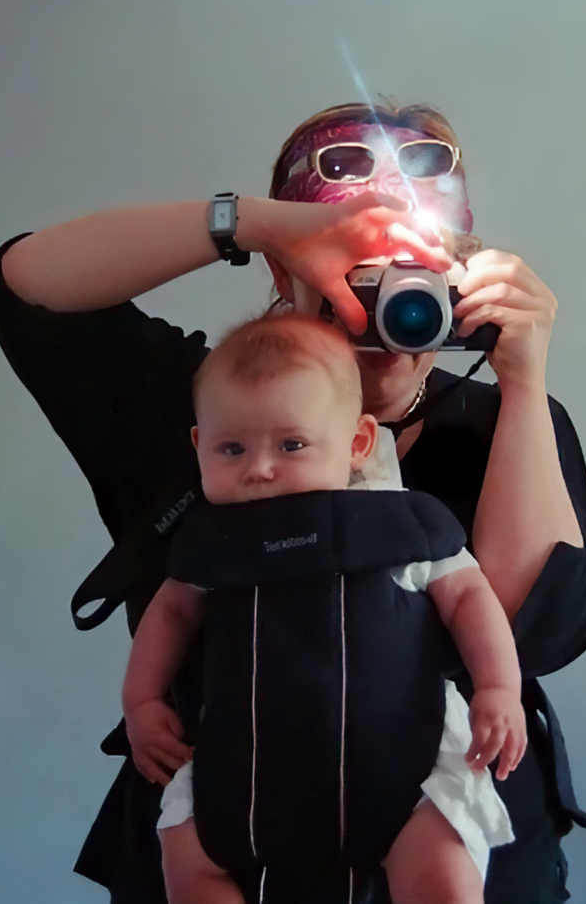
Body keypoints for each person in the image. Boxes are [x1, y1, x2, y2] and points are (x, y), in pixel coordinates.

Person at [0, 100, 586, 903]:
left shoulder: (509, 420)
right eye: (356, 273)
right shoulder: (211, 412)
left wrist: (523, 380)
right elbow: (19, 286)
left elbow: (533, 628)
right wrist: (257, 224)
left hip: (454, 864)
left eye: (411, 273)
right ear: (287, 272)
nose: (384, 308)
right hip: (222, 844)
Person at [125, 313, 524, 903]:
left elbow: (469, 594)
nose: (260, 468)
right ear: (199, 443)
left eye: (292, 444)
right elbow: (171, 613)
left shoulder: (403, 524)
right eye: (231, 447)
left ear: (358, 443)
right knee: (189, 857)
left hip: (404, 766)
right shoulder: (211, 544)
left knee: (442, 870)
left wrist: (497, 687)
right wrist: (141, 701)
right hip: (248, 774)